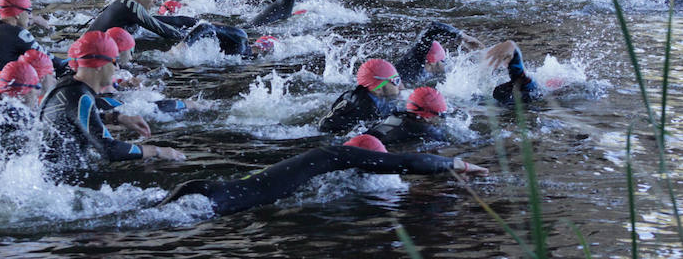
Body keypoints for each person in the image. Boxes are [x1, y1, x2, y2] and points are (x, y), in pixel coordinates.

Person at [160, 133, 487, 216]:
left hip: (208, 191)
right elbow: (406, 163)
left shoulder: (318, 165)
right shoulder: (335, 156)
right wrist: (456, 164)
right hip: (217, 205)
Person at [39, 31, 185, 183]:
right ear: (99, 66)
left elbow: (74, 121)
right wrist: (157, 150)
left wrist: (117, 118)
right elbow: (110, 150)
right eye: (113, 61)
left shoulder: (67, 87)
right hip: (63, 186)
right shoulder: (80, 96)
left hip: (53, 178)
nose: (116, 67)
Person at [86, 0, 185, 42]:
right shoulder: (131, 6)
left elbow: (162, 20)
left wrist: (192, 22)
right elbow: (168, 32)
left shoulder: (124, 7)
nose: (154, 2)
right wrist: (190, 37)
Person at [318, 58, 402, 134]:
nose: (401, 86)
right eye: (396, 81)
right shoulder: (366, 111)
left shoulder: (353, 94)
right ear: (378, 89)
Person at [391, 22, 484, 86]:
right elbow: (433, 27)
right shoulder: (416, 63)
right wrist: (463, 37)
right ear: (430, 62)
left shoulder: (420, 68)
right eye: (441, 62)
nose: (445, 64)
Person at [364, 87, 450, 146]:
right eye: (441, 115)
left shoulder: (398, 115)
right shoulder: (428, 132)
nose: (443, 119)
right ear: (427, 117)